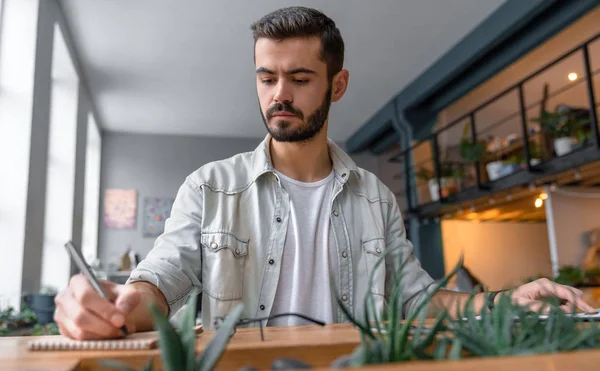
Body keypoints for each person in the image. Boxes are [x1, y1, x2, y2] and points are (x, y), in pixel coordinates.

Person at [54, 6, 595, 340]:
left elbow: (418, 301)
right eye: (266, 78)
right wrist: (116, 305)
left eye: (300, 78)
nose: (279, 95)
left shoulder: (376, 198)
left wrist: (505, 301)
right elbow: (161, 281)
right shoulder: (209, 186)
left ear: (337, 86)